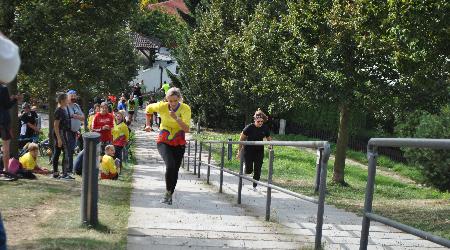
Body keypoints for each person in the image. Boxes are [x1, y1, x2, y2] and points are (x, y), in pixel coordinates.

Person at [145, 87, 191, 205]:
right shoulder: (162, 106)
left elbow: (186, 129)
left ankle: (169, 194)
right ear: (167, 99)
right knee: (170, 165)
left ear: (179, 99)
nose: (173, 103)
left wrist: (176, 118)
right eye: (170, 101)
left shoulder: (185, 109)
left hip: (179, 139)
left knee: (175, 169)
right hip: (164, 138)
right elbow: (148, 109)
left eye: (175, 101)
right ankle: (167, 193)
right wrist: (148, 124)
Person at [0, 33, 22, 175]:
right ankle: (6, 169)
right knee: (6, 146)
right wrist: (15, 99)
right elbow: (6, 105)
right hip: (3, 120)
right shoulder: (3, 89)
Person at [236, 109, 272, 191]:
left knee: (258, 169)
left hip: (259, 151)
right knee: (249, 170)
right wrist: (239, 152)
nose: (260, 123)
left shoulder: (265, 128)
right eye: (258, 121)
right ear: (255, 120)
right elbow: (241, 140)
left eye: (262, 122)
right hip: (248, 151)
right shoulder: (249, 127)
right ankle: (246, 167)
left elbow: (269, 139)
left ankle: (254, 186)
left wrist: (270, 145)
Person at [52, 93, 74, 180]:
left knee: (57, 152)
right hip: (60, 133)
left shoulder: (63, 109)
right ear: (62, 100)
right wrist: (59, 139)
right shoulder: (58, 110)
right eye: (66, 99)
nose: (68, 100)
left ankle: (56, 173)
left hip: (64, 132)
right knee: (66, 152)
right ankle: (64, 173)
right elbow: (56, 125)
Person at [66, 90, 85, 172]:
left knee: (72, 149)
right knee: (69, 149)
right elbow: (67, 117)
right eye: (71, 96)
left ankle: (70, 168)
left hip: (75, 131)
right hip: (67, 131)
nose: (73, 97)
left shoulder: (76, 106)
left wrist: (75, 116)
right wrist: (77, 116)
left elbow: (83, 117)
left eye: (74, 96)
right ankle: (68, 169)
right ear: (68, 96)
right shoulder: (65, 106)